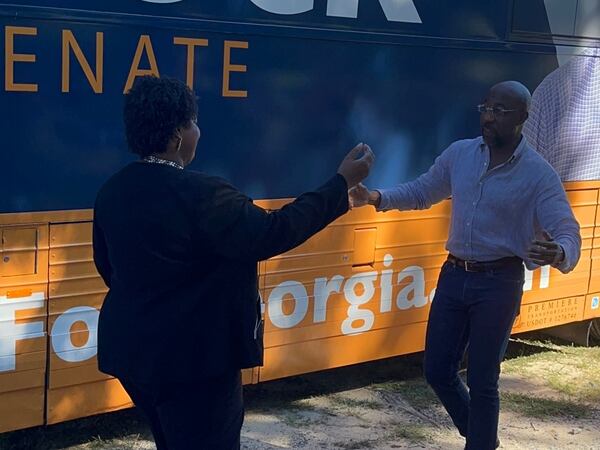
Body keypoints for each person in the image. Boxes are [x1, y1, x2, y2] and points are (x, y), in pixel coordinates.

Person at [92, 75, 374, 450]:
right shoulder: (204, 195)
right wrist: (339, 185)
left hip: (134, 357)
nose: (198, 131)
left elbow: (107, 267)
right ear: (177, 134)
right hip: (197, 364)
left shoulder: (113, 190)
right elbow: (274, 232)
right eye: (193, 122)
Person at [349, 81, 581, 450]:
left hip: (499, 282)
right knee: (437, 370)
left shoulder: (538, 175)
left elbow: (569, 232)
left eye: (500, 111)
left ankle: (480, 443)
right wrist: (375, 197)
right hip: (455, 275)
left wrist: (559, 253)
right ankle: (481, 437)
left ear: (522, 117)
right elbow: (423, 191)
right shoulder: (460, 154)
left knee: (483, 378)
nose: (489, 117)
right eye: (485, 108)